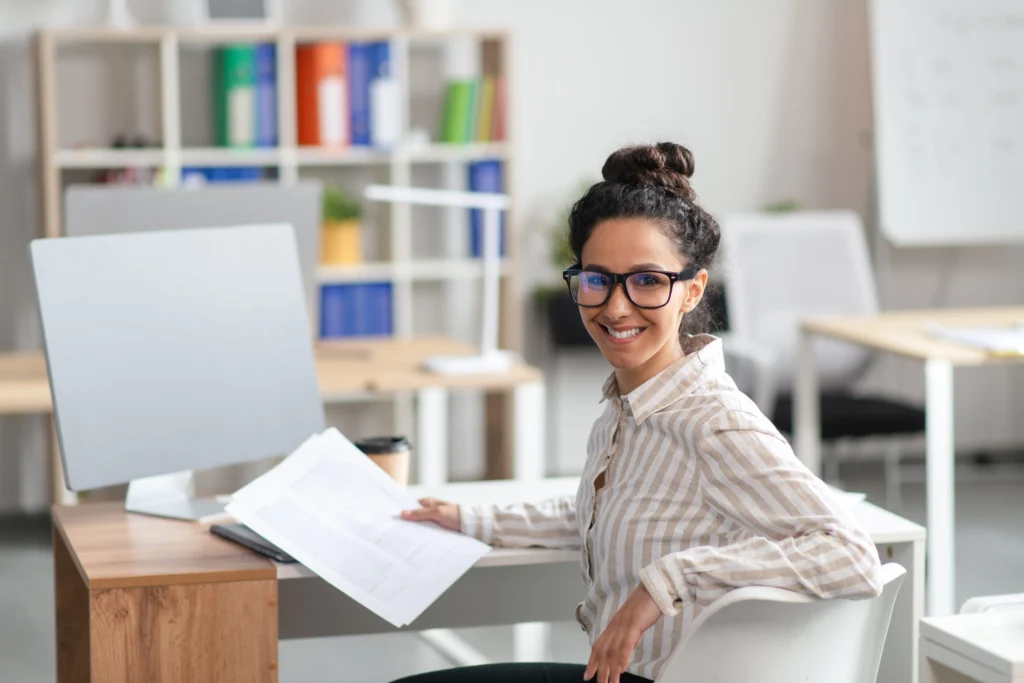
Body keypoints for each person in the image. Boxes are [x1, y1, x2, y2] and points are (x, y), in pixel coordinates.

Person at [396, 142, 882, 683]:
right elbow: (606, 510)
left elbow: (850, 554)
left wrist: (668, 579)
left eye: (648, 280)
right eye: (598, 279)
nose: (616, 306)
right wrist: (470, 518)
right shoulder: (625, 409)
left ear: (692, 290)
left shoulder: (715, 420)